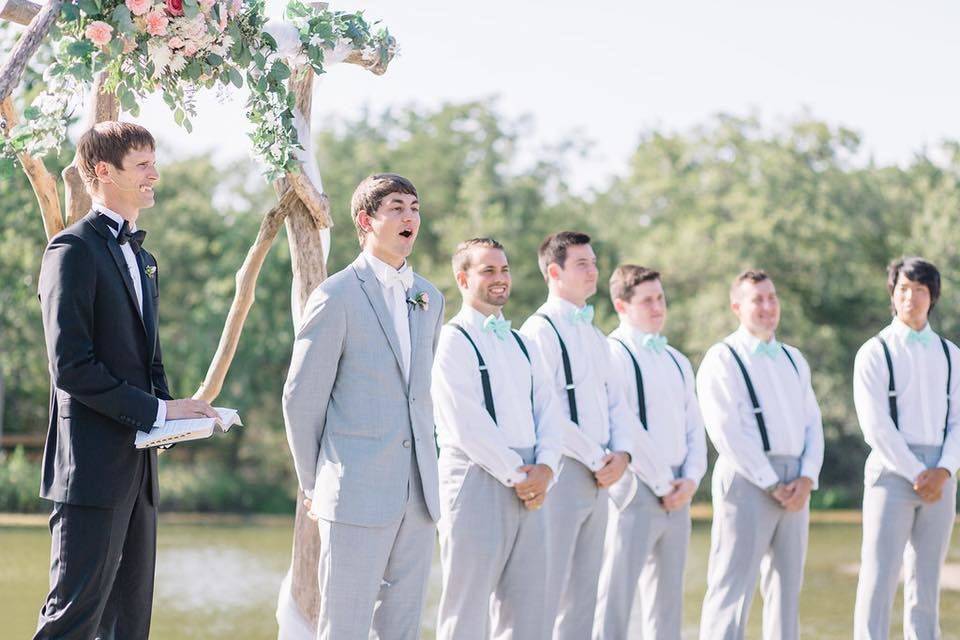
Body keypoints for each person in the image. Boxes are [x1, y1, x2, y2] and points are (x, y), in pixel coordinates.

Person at [33, 122, 218, 639]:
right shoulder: (71, 251)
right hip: (89, 470)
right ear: (102, 172)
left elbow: (148, 361)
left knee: (129, 626)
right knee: (70, 622)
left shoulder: (143, 257)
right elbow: (71, 367)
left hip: (139, 470)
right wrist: (158, 412)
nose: (155, 175)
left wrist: (173, 415)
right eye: (143, 165)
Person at [282, 173, 444, 639]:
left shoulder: (430, 298)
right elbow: (300, 397)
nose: (409, 216)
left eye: (414, 207)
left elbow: (419, 396)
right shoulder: (336, 295)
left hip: (418, 496)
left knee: (402, 628)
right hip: (353, 492)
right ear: (366, 220)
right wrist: (315, 482)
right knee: (344, 626)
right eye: (396, 207)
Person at [520, 231, 673, 640]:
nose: (594, 271)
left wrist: (622, 455)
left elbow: (616, 403)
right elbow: (545, 408)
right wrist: (596, 457)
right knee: (546, 590)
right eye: (582, 264)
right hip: (562, 471)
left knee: (585, 593)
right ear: (554, 272)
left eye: (594, 262)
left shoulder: (594, 335)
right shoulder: (539, 330)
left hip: (602, 475)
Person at [432, 237, 566, 640]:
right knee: (466, 609)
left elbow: (549, 410)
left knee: (527, 611)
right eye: (488, 270)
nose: (500, 278)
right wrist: (520, 476)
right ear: (463, 278)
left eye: (504, 269)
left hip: (532, 481)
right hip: (477, 478)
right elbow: (465, 422)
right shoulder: (452, 339)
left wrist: (546, 469)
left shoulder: (524, 343)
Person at [696, 269, 824, 640]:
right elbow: (726, 431)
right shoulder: (722, 358)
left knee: (787, 592)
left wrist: (807, 477)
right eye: (757, 299)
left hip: (796, 482)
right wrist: (770, 481)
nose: (767, 306)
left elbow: (812, 423)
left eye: (772, 298)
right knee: (731, 588)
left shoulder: (793, 358)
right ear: (737, 307)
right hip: (747, 479)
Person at [594, 265, 707, 639]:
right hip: (634, 490)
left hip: (679, 491)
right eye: (647, 300)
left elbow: (694, 424)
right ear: (622, 305)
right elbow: (624, 425)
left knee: (668, 602)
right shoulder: (612, 352)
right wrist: (662, 483)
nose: (658, 307)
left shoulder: (677, 359)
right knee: (615, 597)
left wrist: (690, 479)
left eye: (660, 298)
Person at [852, 257, 959, 639]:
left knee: (926, 581)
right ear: (892, 296)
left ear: (933, 297)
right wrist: (917, 472)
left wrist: (944, 469)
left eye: (919, 290)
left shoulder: (951, 355)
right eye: (903, 289)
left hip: (943, 474)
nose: (910, 297)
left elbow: (958, 421)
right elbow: (875, 425)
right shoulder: (874, 351)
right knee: (878, 577)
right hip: (891, 471)